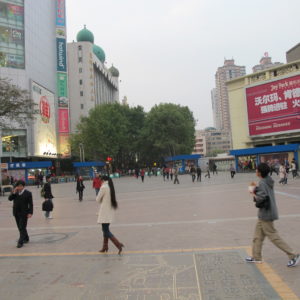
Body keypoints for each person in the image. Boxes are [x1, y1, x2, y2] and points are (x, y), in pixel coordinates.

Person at [245, 163, 299, 267]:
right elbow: (263, 193)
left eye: (256, 170)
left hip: (266, 215)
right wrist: (256, 189)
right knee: (257, 237)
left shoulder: (263, 183)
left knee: (274, 237)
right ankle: (256, 257)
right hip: (264, 215)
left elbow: (261, 199)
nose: (255, 171)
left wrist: (252, 192)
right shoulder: (267, 180)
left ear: (259, 172)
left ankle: (293, 255)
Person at [96, 175, 124, 254]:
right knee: (105, 229)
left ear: (103, 180)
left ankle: (118, 244)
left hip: (104, 212)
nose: (100, 182)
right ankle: (105, 247)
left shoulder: (103, 187)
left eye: (100, 180)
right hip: (109, 211)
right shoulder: (109, 186)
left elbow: (97, 199)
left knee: (105, 230)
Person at [8, 180, 33, 248]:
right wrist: (13, 192)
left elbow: (30, 204)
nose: (19, 187)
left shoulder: (28, 193)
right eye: (18, 186)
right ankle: (26, 238)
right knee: (20, 227)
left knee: (22, 226)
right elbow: (9, 199)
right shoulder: (15, 193)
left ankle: (20, 242)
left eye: (20, 186)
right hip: (16, 212)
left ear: (23, 186)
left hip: (24, 213)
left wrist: (30, 212)